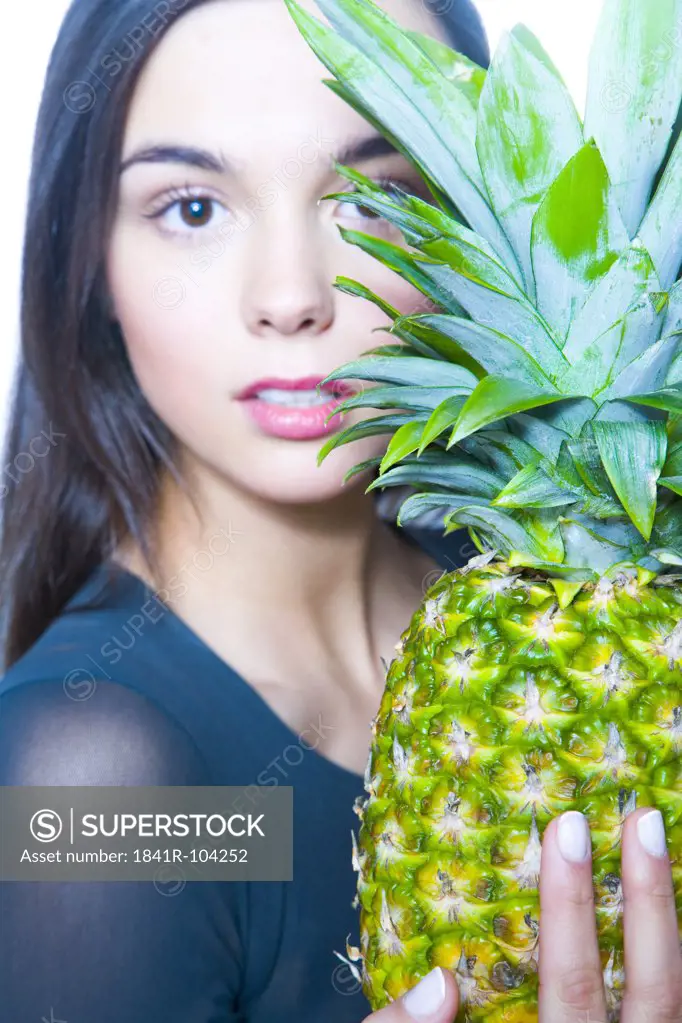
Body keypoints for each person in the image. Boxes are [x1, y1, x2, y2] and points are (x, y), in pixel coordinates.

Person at [0, 0, 680, 1020]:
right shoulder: (99, 781)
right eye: (192, 206)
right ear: (89, 259)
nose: (290, 295)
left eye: (372, 197)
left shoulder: (589, 633)